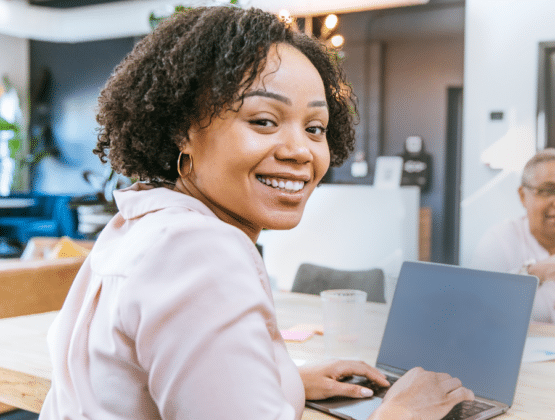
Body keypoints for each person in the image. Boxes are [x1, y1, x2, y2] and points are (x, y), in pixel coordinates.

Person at [38, 6, 473, 420]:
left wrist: (284, 382)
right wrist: (401, 412)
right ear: (181, 131)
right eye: (264, 121)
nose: (300, 150)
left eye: (315, 128)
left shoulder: (144, 222)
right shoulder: (200, 250)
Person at [472, 148, 555, 323]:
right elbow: (475, 306)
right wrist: (534, 273)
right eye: (548, 191)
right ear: (523, 196)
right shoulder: (499, 241)